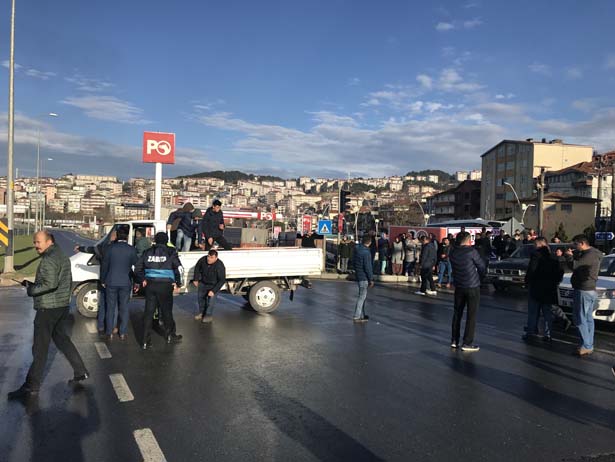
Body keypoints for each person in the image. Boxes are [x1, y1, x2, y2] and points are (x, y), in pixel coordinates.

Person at [9, 231, 89, 399]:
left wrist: (31, 289)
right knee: (62, 340)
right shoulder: (61, 255)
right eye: (34, 242)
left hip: (48, 309)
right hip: (61, 306)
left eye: (38, 242)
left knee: (39, 349)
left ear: (49, 241)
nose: (35, 245)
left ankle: (31, 386)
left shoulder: (49, 259)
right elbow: (59, 281)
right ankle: (80, 371)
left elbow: (50, 284)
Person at [134, 232, 183, 349]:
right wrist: (178, 283)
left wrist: (142, 279)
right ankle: (170, 335)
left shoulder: (147, 252)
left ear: (155, 240)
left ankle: (145, 341)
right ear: (166, 241)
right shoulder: (171, 252)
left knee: (148, 312)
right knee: (166, 312)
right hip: (165, 286)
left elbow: (137, 268)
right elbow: (179, 268)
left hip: (150, 285)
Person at [75, 228, 119, 336]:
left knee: (103, 303)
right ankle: (111, 327)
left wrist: (80, 248)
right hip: (114, 279)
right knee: (113, 305)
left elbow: (91, 249)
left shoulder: (103, 247)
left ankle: (100, 326)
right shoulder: (117, 248)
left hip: (103, 279)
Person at [565, 234, 602, 356]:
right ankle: (588, 344)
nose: (574, 246)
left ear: (582, 243)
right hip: (588, 289)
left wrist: (569, 256)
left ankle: (586, 345)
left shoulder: (589, 255)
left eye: (576, 244)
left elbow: (575, 266)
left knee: (580, 318)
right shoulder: (592, 253)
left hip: (584, 289)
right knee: (587, 318)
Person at [449, 231, 486, 352]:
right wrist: (481, 277)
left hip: (459, 285)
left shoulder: (453, 252)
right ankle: (467, 342)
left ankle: (454, 340)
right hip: (472, 285)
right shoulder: (471, 251)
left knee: (457, 313)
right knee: (471, 315)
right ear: (468, 241)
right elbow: (481, 266)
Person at [522, 237, 564, 342]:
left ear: (540, 245)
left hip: (536, 287)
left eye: (535, 244)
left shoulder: (536, 256)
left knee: (533, 312)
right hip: (549, 289)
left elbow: (531, 271)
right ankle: (548, 334)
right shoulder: (554, 257)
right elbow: (559, 272)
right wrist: (555, 282)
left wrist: (527, 282)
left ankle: (531, 332)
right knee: (547, 313)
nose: (533, 246)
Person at [100, 227, 137, 341]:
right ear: (127, 236)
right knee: (124, 308)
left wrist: (103, 280)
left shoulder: (110, 248)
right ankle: (122, 332)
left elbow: (104, 266)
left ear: (117, 236)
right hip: (125, 282)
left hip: (111, 281)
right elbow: (136, 266)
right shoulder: (131, 249)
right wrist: (137, 281)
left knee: (110, 307)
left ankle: (109, 332)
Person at [193, 249, 226, 323]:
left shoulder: (219, 265)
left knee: (210, 302)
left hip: (214, 285)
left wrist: (213, 291)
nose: (209, 259)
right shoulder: (203, 260)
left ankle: (208, 315)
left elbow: (222, 280)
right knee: (200, 299)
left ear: (216, 258)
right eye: (208, 256)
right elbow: (197, 267)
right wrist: (196, 279)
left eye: (211, 257)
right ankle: (201, 313)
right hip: (203, 283)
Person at [353, 235, 374, 322]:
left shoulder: (357, 249)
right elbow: (368, 266)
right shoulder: (366, 252)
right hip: (364, 277)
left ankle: (362, 314)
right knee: (362, 297)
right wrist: (371, 279)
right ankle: (357, 316)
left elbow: (353, 262)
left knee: (362, 296)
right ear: (369, 242)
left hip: (358, 274)